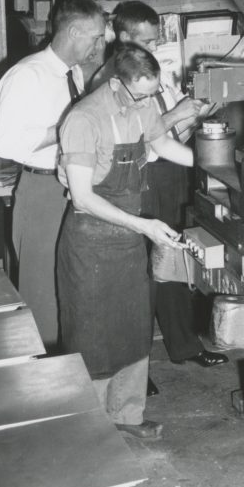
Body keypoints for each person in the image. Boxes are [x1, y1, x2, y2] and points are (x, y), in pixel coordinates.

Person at [57, 46, 194, 441]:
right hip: (91, 243)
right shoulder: (84, 119)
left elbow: (163, 145)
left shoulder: (142, 103)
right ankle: (91, 430)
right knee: (93, 336)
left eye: (153, 95)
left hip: (129, 238)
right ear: (116, 83)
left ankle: (127, 415)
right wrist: (145, 226)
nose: (150, 103)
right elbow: (83, 198)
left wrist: (217, 161)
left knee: (134, 330)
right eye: (141, 95)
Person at [91, 0, 228, 369]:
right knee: (141, 274)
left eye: (155, 41)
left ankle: (184, 344)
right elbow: (139, 138)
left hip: (170, 172)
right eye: (147, 42)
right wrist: (176, 114)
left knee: (175, 259)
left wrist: (193, 118)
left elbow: (166, 136)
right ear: (123, 38)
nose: (154, 49)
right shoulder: (110, 80)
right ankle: (133, 363)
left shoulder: (153, 71)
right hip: (140, 179)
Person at [0, 0, 106, 347]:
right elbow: (6, 144)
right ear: (74, 31)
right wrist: (62, 129)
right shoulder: (27, 75)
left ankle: (68, 369)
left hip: (71, 188)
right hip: (42, 192)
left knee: (69, 284)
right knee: (42, 291)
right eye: (96, 36)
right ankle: (43, 379)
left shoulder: (72, 73)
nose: (100, 45)